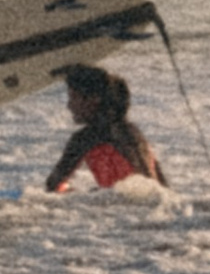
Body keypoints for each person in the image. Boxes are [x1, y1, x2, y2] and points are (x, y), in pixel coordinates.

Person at [44, 62, 164, 192]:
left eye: (74, 98)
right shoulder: (133, 133)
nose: (69, 105)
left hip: (122, 203)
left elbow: (53, 185)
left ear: (94, 99)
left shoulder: (86, 137)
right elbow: (161, 188)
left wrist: (80, 196)